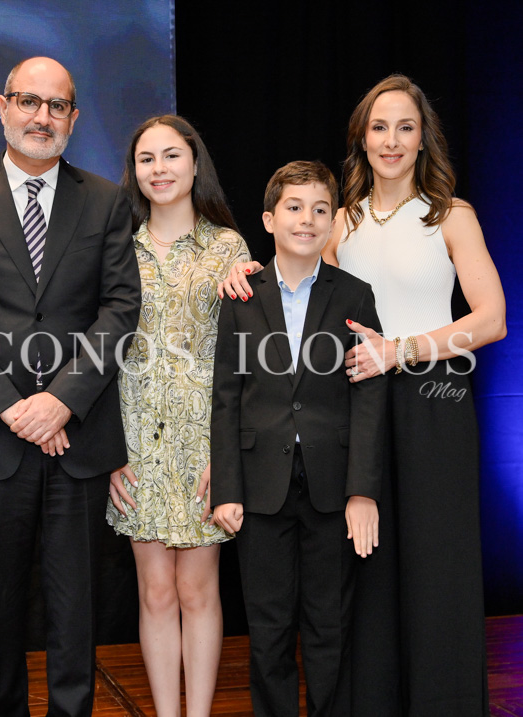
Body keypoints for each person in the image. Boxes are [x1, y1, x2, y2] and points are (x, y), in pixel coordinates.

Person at [220, 76, 507, 716]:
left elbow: (492, 320)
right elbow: (292, 275)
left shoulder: (451, 214)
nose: (392, 140)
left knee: (436, 563)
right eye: (380, 127)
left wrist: (399, 350)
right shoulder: (340, 221)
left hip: (433, 401)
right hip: (353, 406)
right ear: (362, 138)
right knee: (364, 571)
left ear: (423, 138)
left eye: (406, 127)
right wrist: (244, 270)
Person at [0, 57, 141, 717]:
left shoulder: (106, 200)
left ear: (74, 117)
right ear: (2, 106)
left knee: (76, 610)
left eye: (57, 105)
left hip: (79, 439)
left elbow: (120, 308)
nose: (42, 116)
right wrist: (13, 407)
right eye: (29, 101)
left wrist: (61, 399)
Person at [211, 160, 387, 717]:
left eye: (319, 210)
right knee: (268, 629)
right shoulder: (241, 296)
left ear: (333, 222)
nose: (306, 219)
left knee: (328, 626)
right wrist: (227, 489)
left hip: (333, 490)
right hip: (260, 488)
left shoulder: (355, 295)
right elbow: (226, 396)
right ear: (269, 219)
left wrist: (362, 490)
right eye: (294, 207)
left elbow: (368, 398)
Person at [106, 115, 250, 716]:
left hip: (205, 446)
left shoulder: (228, 249)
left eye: (171, 156)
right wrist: (108, 453)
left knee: (197, 589)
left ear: (195, 164)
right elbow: (97, 356)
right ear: (134, 172)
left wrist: (229, 458)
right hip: (136, 445)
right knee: (156, 591)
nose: (159, 169)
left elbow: (247, 363)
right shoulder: (114, 248)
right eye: (147, 159)